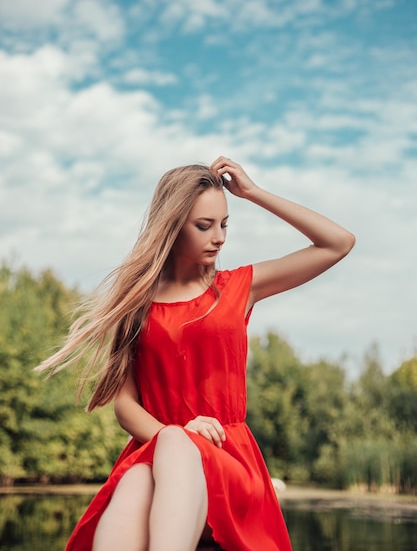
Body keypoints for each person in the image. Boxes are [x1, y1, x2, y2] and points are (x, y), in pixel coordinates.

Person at [36, 156, 355, 551]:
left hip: (228, 457)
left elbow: (338, 242)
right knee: (138, 477)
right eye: (204, 226)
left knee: (161, 457)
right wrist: (176, 436)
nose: (218, 237)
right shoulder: (135, 304)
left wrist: (253, 193)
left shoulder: (240, 287)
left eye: (224, 224)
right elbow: (125, 406)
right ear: (172, 227)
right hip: (155, 449)